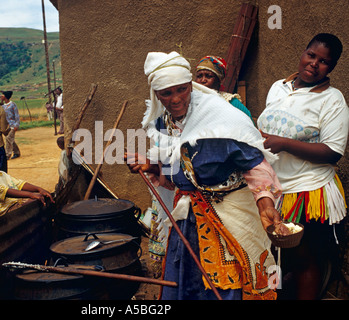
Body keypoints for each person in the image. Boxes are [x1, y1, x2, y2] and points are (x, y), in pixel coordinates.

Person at [125, 51, 288, 300]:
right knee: (185, 283)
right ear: (156, 94)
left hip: (230, 214)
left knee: (229, 284)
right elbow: (176, 174)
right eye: (166, 93)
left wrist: (265, 203)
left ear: (191, 86)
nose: (176, 99)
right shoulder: (162, 124)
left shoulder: (223, 118)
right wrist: (151, 167)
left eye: (182, 89)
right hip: (188, 219)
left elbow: (255, 165)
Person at [257, 33, 349, 300]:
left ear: (330, 68)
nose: (314, 64)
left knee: (303, 258)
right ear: (303, 52)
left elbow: (332, 152)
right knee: (272, 255)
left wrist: (284, 143)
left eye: (323, 62)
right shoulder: (278, 87)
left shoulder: (332, 100)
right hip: (274, 187)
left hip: (306, 190)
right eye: (311, 55)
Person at [0, 140, 54, 220]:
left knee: (43, 197)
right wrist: (31, 195)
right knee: (35, 203)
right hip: (2, 215)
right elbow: (6, 192)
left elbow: (20, 184)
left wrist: (39, 189)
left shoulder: (2, 174)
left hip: (14, 206)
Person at [195, 55, 253, 119]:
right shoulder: (190, 101)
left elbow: (249, 124)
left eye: (208, 76)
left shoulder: (229, 101)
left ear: (219, 80)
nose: (203, 80)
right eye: (199, 76)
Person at [1, 90, 21, 160]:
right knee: (11, 139)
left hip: (12, 125)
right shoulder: (2, 106)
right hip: (6, 126)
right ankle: (17, 152)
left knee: (8, 138)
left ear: (5, 96)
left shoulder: (12, 104)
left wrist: (16, 125)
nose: (1, 96)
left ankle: (7, 154)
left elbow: (17, 115)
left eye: (2, 95)